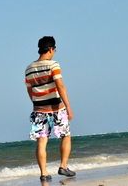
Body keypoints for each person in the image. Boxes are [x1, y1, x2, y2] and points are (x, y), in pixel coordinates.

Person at [24, 36, 76, 182]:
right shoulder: (53, 65)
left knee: (42, 141)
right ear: (51, 49)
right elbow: (60, 86)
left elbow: (29, 90)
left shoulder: (29, 68)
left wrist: (37, 103)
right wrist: (68, 107)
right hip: (56, 108)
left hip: (39, 109)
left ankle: (44, 173)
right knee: (65, 135)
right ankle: (63, 166)